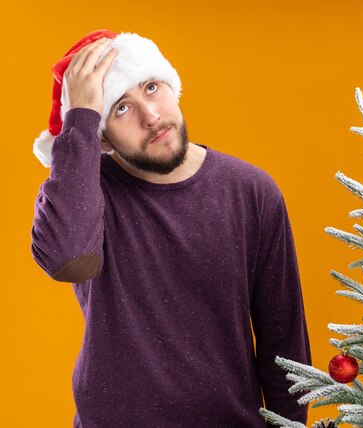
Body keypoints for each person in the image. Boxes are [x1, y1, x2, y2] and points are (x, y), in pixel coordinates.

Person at [30, 29, 311, 427]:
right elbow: (67, 257)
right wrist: (79, 119)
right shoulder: (82, 189)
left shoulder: (252, 192)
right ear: (102, 139)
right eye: (120, 109)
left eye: (151, 87)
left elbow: (285, 346)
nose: (151, 116)